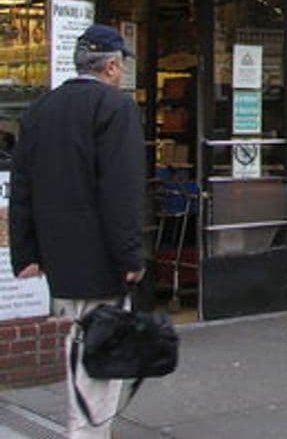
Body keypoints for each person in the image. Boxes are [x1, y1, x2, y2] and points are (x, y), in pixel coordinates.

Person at [9, 24, 145, 439]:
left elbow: (22, 188)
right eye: (120, 64)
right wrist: (130, 257)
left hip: (58, 259)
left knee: (78, 347)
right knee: (102, 357)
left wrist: (26, 253)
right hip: (100, 259)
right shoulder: (115, 108)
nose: (121, 73)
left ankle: (83, 427)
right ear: (110, 66)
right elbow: (120, 190)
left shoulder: (40, 110)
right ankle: (88, 433)